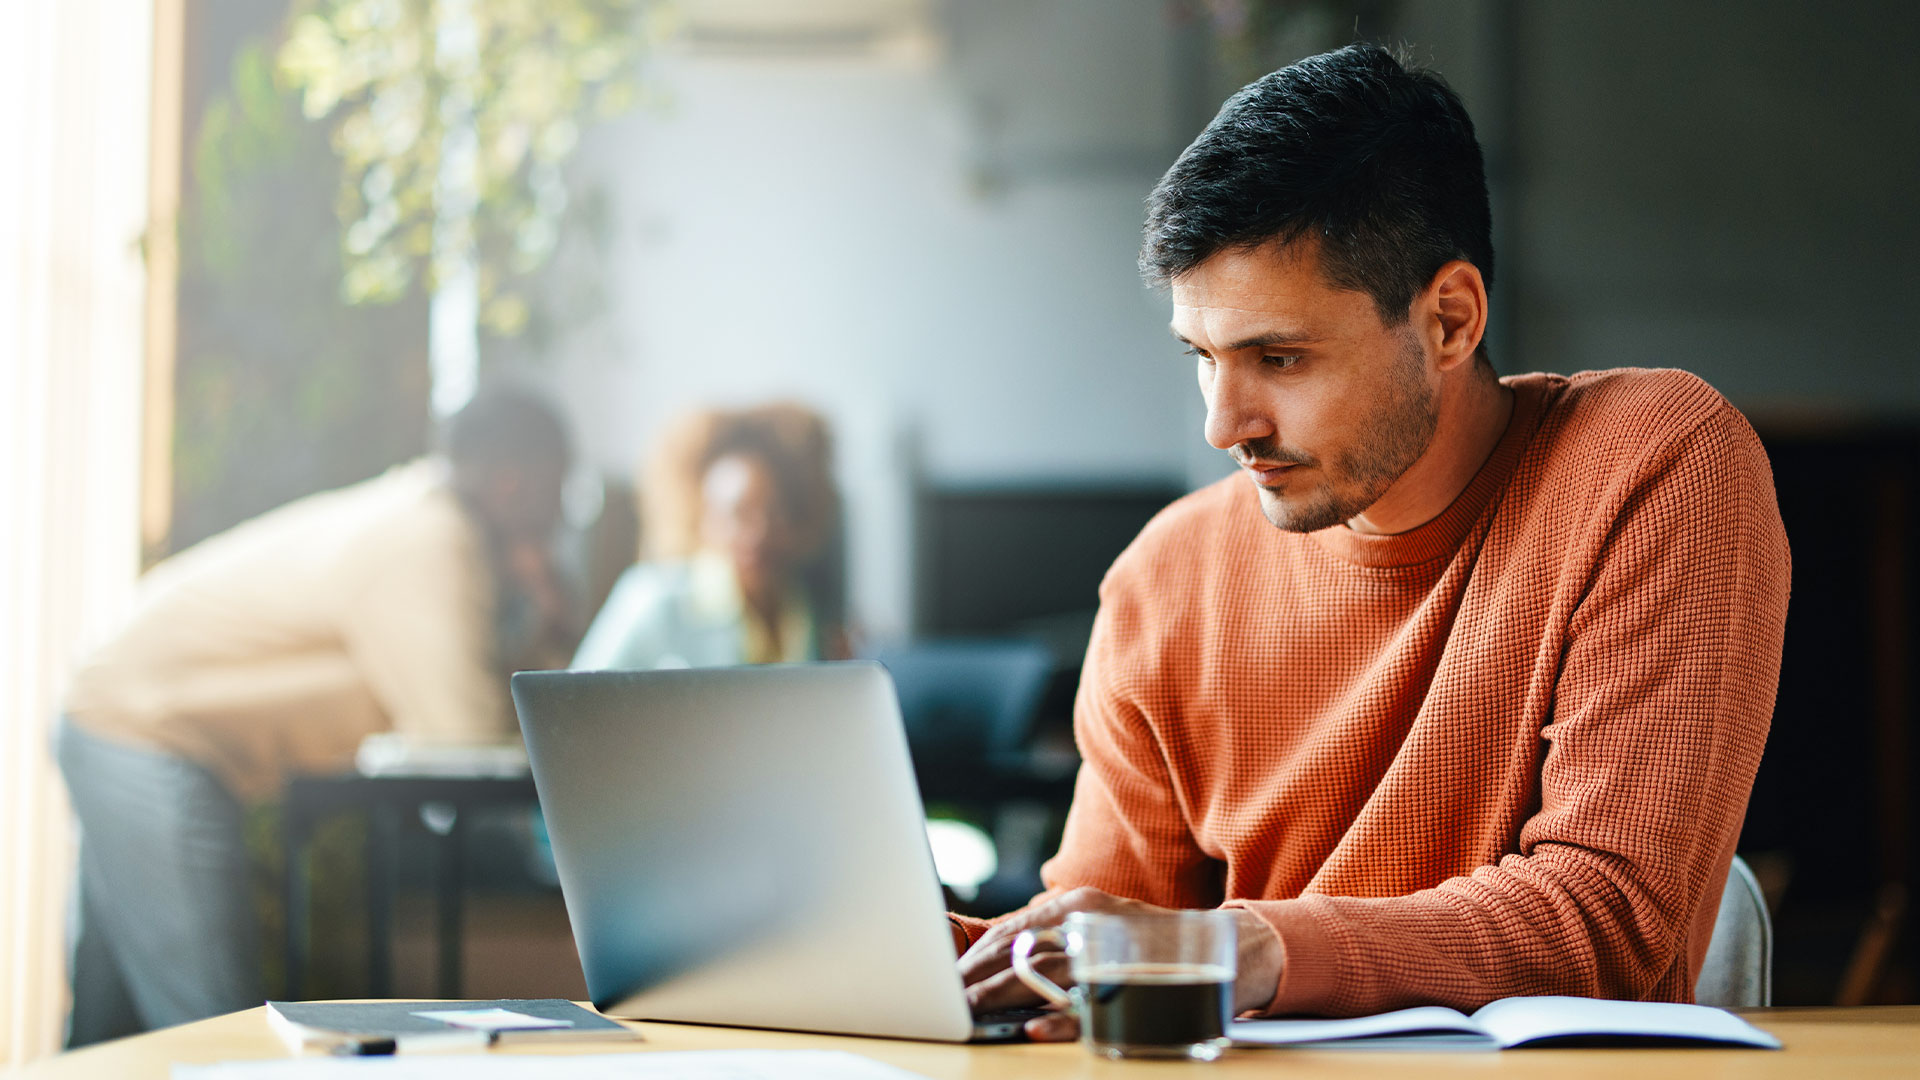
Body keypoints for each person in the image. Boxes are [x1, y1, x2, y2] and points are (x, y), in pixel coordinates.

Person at [956, 44, 1790, 1037]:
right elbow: (1094, 956)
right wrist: (938, 953)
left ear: (1448, 319)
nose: (1226, 426)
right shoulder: (1165, 577)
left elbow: (1606, 917)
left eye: (1280, 357)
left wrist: (1250, 947)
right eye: (1203, 358)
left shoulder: (1651, 463)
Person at [55, 384, 575, 1046]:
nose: (559, 514)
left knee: (108, 1034)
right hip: (144, 731)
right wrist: (545, 617)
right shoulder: (431, 540)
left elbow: (443, 693)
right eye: (557, 486)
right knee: (217, 1030)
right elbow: (466, 738)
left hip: (117, 715)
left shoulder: (421, 521)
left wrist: (535, 621)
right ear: (513, 482)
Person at [572, 403, 848, 670]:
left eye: (776, 513)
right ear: (701, 518)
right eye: (738, 514)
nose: (759, 533)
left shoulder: (806, 606)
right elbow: (574, 706)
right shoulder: (653, 599)